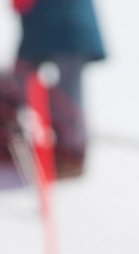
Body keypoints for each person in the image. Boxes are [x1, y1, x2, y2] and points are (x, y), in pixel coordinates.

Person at [13, 0, 105, 176]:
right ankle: (67, 146)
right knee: (21, 82)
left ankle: (71, 153)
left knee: (69, 93)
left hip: (67, 25)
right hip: (47, 23)